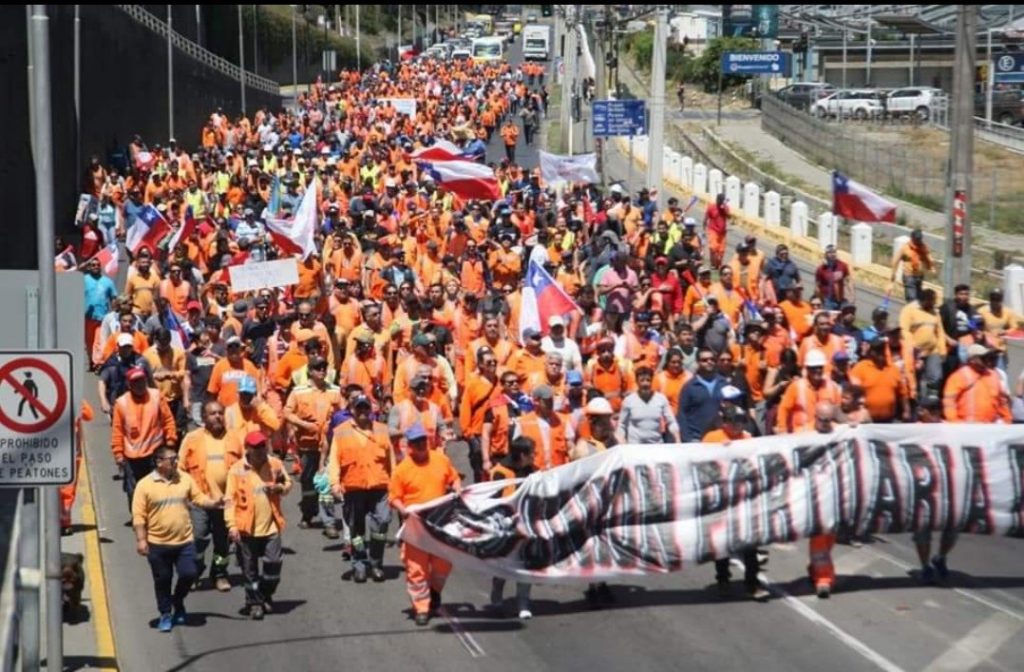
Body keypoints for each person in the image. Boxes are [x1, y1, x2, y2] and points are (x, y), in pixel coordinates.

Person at [132, 445, 222, 632]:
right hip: (157, 544)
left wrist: (214, 503)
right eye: (171, 459)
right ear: (159, 462)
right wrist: (141, 540)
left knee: (189, 574)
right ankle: (165, 613)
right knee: (163, 580)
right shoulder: (144, 485)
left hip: (184, 542)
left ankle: (178, 600)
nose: (175, 462)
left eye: (176, 458)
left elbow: (198, 498)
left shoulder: (184, 479)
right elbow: (139, 516)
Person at [389, 422, 462, 626]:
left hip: (440, 525)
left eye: (423, 440)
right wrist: (403, 510)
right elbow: (394, 497)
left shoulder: (441, 460)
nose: (421, 445)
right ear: (409, 445)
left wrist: (457, 489)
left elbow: (454, 478)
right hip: (416, 529)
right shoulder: (402, 470)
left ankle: (434, 593)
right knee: (416, 570)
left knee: (443, 564)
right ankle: (421, 607)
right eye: (416, 442)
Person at [225, 431, 293, 620]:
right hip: (247, 530)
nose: (261, 450)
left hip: (271, 527)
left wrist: (280, 488)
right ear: (248, 449)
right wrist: (232, 526)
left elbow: (287, 483)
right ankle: (254, 602)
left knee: (273, 564)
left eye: (263, 446)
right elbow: (229, 500)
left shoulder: (275, 464)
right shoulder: (237, 470)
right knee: (250, 571)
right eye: (256, 447)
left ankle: (264, 594)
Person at [702, 406, 767, 600]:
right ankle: (723, 580)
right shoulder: (712, 439)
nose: (738, 424)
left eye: (740, 420)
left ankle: (752, 583)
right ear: (724, 422)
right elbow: (701, 465)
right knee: (721, 543)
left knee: (750, 544)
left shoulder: (747, 440)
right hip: (721, 499)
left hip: (744, 499)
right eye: (734, 420)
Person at [177, 401, 243, 592]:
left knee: (223, 543)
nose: (217, 417)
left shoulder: (235, 438)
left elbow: (245, 466)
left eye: (220, 413)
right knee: (198, 538)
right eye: (212, 413)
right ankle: (196, 571)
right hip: (201, 501)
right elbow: (180, 469)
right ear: (204, 418)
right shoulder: (192, 439)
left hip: (227, 503)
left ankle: (220, 574)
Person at [328, 395, 394, 584]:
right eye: (359, 408)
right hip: (353, 486)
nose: (363, 412)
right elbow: (334, 460)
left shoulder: (382, 430)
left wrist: (395, 486)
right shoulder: (341, 431)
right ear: (352, 410)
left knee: (381, 526)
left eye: (366, 408)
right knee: (356, 529)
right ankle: (359, 565)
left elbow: (391, 461)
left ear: (371, 410)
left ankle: (376, 564)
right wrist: (334, 484)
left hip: (379, 486)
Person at [284, 356, 343, 528]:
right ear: (310, 371)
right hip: (307, 444)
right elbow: (287, 412)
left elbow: (343, 414)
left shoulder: (335, 391)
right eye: (318, 368)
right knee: (308, 481)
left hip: (329, 444)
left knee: (326, 481)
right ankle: (308, 514)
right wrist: (304, 424)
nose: (322, 371)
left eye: (324, 367)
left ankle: (329, 522)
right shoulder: (299, 391)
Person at [112, 367, 178, 513]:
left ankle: (157, 516)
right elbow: (117, 430)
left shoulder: (156, 396)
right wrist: (118, 453)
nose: (140, 384)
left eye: (142, 380)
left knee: (158, 486)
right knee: (134, 491)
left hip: (155, 452)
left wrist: (171, 441)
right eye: (135, 382)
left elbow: (168, 419)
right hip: (132, 457)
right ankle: (139, 518)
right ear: (129, 385)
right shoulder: (121, 403)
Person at [488, 436, 537, 619]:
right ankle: (497, 598)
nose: (535, 456)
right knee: (503, 566)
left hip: (526, 525)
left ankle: (523, 602)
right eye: (532, 453)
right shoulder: (500, 472)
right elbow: (494, 500)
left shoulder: (531, 471)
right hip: (506, 527)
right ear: (522, 455)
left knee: (525, 565)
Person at [942, 344, 1012, 423]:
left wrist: (1007, 419)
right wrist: (954, 422)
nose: (987, 360)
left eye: (988, 357)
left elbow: (1001, 401)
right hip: (966, 428)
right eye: (983, 357)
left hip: (989, 427)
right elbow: (949, 402)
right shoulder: (958, 376)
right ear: (972, 359)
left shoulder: (993, 375)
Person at [619, 366, 680, 444]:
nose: (645, 383)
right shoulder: (629, 401)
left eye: (648, 380)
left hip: (656, 446)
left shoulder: (661, 399)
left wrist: (678, 439)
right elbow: (621, 425)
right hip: (635, 447)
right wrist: (621, 442)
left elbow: (671, 421)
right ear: (637, 381)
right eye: (642, 380)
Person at [891, 228, 934, 302]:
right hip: (909, 276)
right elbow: (895, 260)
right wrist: (893, 273)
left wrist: (931, 267)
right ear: (912, 238)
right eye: (916, 239)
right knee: (912, 299)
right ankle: (911, 311)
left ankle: (912, 311)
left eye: (919, 239)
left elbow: (928, 258)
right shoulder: (905, 248)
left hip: (919, 277)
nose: (918, 241)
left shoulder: (923, 247)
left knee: (919, 300)